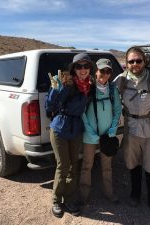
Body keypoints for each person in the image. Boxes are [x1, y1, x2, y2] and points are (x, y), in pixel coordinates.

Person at [113, 46, 150, 216]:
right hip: (131, 130)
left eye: (138, 60)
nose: (135, 64)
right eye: (131, 61)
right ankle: (135, 195)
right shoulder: (121, 80)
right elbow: (107, 95)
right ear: (126, 64)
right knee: (133, 165)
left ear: (144, 61)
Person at [45, 53, 94, 218]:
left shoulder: (89, 86)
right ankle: (57, 201)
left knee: (74, 165)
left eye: (86, 66)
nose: (82, 69)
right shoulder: (66, 82)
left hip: (76, 129)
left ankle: (70, 199)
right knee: (63, 165)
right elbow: (50, 106)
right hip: (60, 128)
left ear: (90, 69)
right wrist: (54, 90)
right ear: (74, 69)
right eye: (79, 66)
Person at [79, 58, 122, 205]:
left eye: (108, 71)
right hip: (90, 135)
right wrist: (89, 131)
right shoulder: (88, 89)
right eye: (102, 70)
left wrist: (113, 129)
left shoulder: (112, 90)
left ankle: (109, 193)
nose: (105, 74)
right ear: (95, 71)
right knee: (87, 165)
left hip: (107, 136)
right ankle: (84, 196)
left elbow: (117, 110)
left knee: (107, 166)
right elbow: (82, 112)